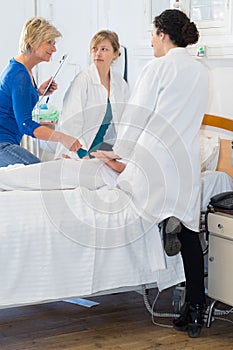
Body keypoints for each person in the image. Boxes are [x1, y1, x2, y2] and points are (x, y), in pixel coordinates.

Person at [92, 9, 209, 338]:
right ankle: (194, 311)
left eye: (152, 34)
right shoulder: (201, 72)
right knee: (190, 234)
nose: (150, 41)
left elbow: (136, 117)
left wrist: (118, 152)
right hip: (185, 164)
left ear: (162, 34)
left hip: (154, 161)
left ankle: (157, 239)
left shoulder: (158, 67)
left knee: (127, 201)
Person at [0, 17, 82, 168]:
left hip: (7, 144)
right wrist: (63, 138)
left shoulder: (25, 71)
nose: (54, 49)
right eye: (49, 42)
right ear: (32, 41)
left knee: (46, 173)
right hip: (2, 146)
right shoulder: (19, 75)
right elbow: (25, 123)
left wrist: (37, 92)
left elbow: (14, 103)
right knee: (44, 175)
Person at [54, 29, 129, 159]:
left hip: (102, 152)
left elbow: (126, 119)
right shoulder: (83, 80)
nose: (98, 53)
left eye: (104, 49)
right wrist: (82, 154)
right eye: (95, 49)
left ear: (115, 54)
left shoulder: (120, 83)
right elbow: (70, 121)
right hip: (77, 152)